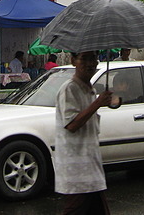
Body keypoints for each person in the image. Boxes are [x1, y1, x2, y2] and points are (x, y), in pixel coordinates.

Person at [54, 50, 113, 214]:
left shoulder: (90, 90)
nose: (90, 63)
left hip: (91, 169)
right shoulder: (69, 89)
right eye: (84, 59)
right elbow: (71, 124)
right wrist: (98, 103)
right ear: (73, 61)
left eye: (93, 58)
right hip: (76, 174)